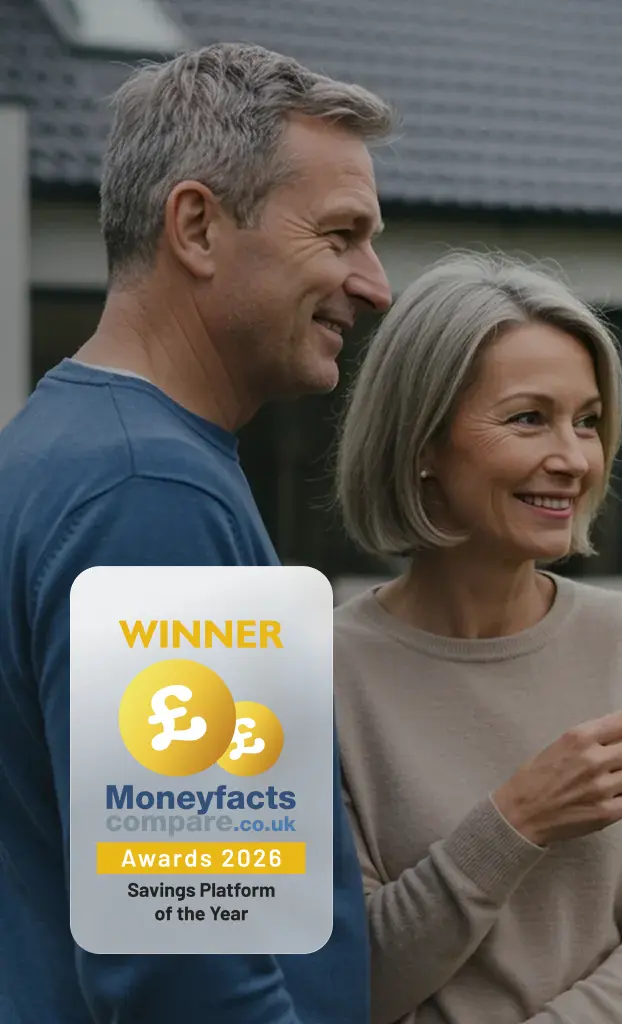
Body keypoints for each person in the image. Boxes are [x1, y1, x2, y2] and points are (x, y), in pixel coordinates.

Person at [0, 42, 394, 1024]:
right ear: (198, 226)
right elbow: (185, 963)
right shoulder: (150, 490)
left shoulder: (59, 441)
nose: (374, 283)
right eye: (341, 235)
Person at [332, 252, 622, 1024]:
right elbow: (353, 982)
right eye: (527, 418)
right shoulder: (320, 671)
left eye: (586, 421)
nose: (573, 459)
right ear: (420, 446)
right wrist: (515, 821)